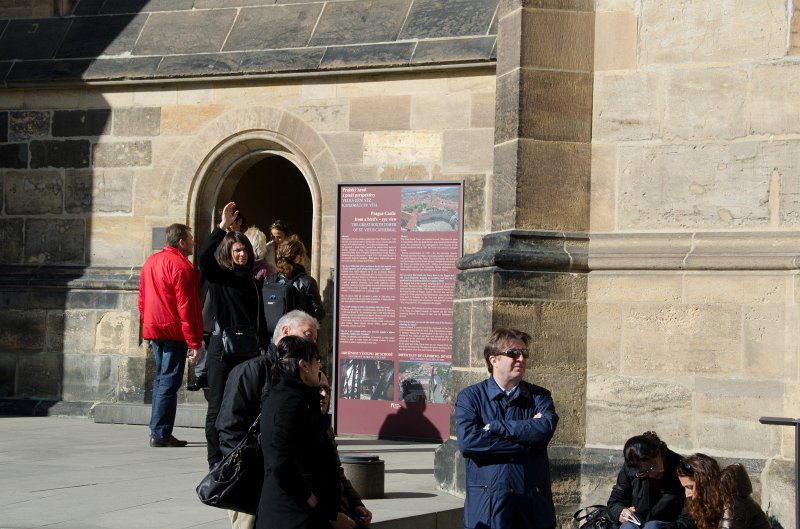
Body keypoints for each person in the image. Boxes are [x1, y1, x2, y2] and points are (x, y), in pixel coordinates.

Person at [217, 310, 320, 529]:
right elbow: (229, 428)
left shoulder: (301, 383)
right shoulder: (252, 370)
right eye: (308, 334)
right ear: (285, 331)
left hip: (283, 481)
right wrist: (243, 473)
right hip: (252, 478)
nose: (312, 343)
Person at [455, 327, 559, 529]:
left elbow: (544, 430)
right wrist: (526, 443)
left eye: (524, 353)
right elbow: (468, 443)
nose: (521, 358)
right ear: (493, 360)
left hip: (532, 504)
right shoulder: (471, 397)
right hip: (489, 505)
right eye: (513, 353)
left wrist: (494, 427)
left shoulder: (539, 396)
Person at [199, 201, 268, 468]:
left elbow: (258, 318)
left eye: (245, 251)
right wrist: (221, 227)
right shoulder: (221, 276)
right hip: (223, 349)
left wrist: (264, 346)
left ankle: (238, 454)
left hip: (248, 349)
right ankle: (215, 460)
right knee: (216, 404)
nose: (242, 255)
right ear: (229, 252)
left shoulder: (251, 280)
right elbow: (205, 258)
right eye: (237, 251)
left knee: (244, 404)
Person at [257, 336, 341, 529]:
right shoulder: (290, 401)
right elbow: (279, 459)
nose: (319, 367)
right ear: (304, 365)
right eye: (316, 361)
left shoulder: (290, 396)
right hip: (292, 514)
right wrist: (308, 497)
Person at [138, 223, 203, 447]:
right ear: (182, 242)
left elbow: (142, 300)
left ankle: (158, 430)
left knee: (161, 379)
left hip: (154, 328)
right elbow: (187, 307)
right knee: (168, 381)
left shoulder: (150, 262)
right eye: (191, 239)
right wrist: (194, 341)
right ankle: (160, 432)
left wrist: (147, 324)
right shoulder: (181, 266)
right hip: (173, 331)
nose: (194, 242)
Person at [607, 431, 695, 529]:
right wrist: (620, 512)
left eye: (653, 467)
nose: (652, 474)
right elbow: (614, 502)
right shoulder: (630, 470)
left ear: (661, 454)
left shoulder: (680, 468)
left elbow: (689, 517)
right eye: (643, 472)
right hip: (636, 523)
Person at [319, 372, 373, 529]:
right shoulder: (302, 429)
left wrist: (357, 503)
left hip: (340, 509)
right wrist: (330, 518)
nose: (323, 394)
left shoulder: (325, 427)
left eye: (326, 389)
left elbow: (337, 472)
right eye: (318, 389)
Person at [677, 453, 770, 529]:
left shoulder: (733, 501)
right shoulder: (708, 501)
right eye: (685, 488)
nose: (687, 494)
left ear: (704, 483)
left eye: (690, 487)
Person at [265, 235, 325, 324]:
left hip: (274, 334)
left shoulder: (270, 279)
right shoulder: (307, 282)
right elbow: (318, 314)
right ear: (299, 258)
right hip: (297, 334)